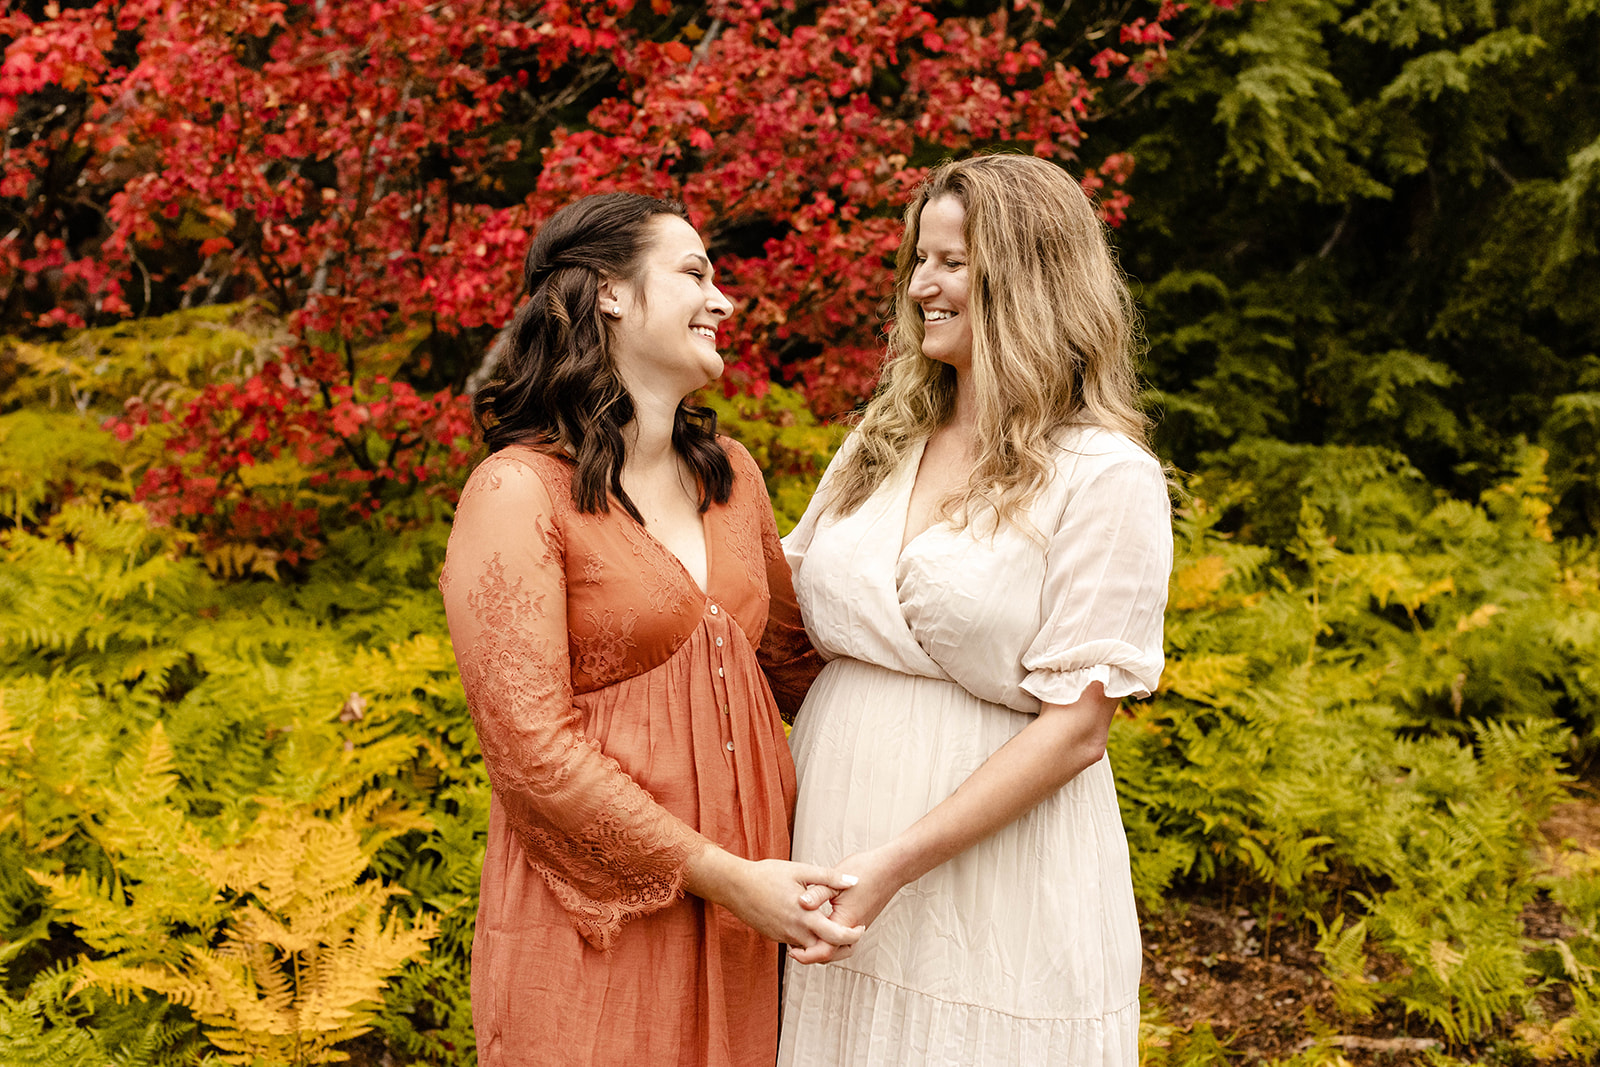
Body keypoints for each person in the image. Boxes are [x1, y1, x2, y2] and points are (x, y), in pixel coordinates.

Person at [439, 192, 862, 1067]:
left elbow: (803, 671)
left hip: (752, 914)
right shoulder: (517, 490)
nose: (723, 301)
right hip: (597, 921)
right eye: (695, 274)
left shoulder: (731, 477)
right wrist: (725, 875)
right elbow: (531, 752)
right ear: (609, 293)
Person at [776, 154, 1172, 1066]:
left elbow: (1076, 730)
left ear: (1030, 276)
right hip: (831, 842)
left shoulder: (1104, 474)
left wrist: (893, 863)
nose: (921, 285)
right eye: (919, 260)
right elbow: (774, 611)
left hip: (996, 883)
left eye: (951, 262)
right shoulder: (879, 443)